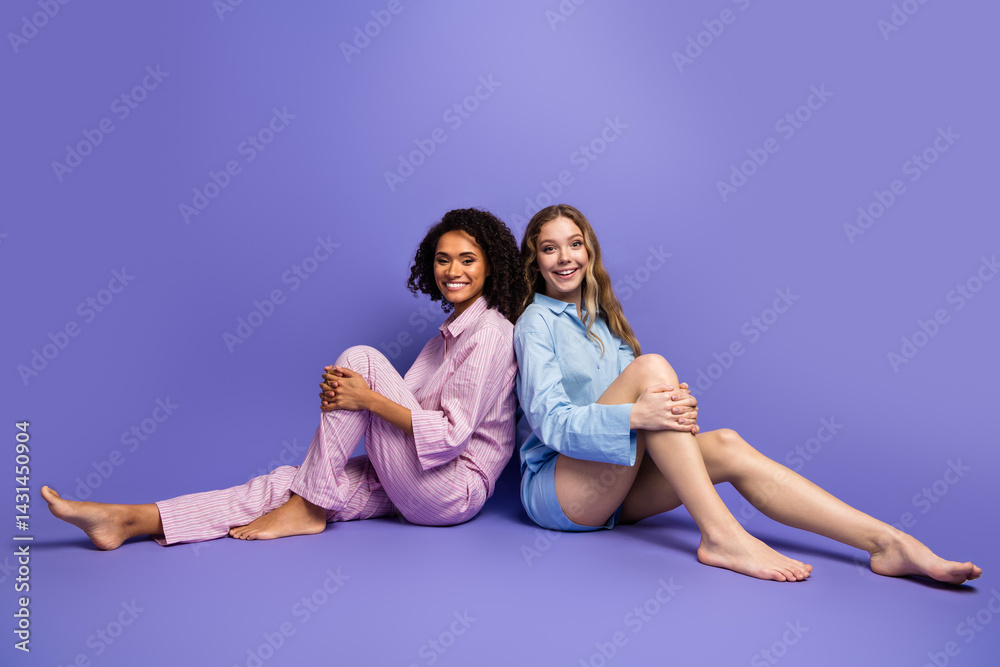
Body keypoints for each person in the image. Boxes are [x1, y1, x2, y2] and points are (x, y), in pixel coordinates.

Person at [514, 203, 981, 584]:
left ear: (590, 251)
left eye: (575, 244)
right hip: (562, 492)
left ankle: (887, 543)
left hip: (614, 492)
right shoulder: (535, 323)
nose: (565, 257)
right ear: (535, 262)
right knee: (651, 366)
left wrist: (671, 409)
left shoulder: (605, 324)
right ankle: (722, 537)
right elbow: (551, 423)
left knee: (728, 444)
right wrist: (639, 414)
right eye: (550, 249)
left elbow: (634, 409)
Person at [41, 208, 524, 549]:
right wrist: (360, 403)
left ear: (491, 266)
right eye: (443, 259)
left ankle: (308, 510)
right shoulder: (446, 338)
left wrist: (367, 399)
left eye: (467, 259)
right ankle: (130, 520)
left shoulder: (491, 333)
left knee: (361, 360)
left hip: (450, 491)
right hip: (416, 479)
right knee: (291, 483)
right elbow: (405, 424)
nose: (452, 270)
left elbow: (451, 436)